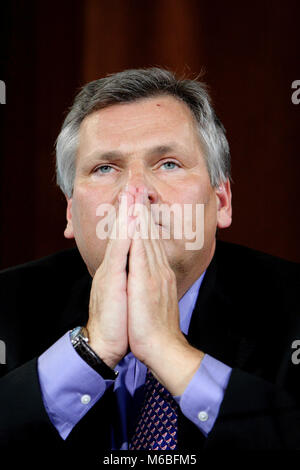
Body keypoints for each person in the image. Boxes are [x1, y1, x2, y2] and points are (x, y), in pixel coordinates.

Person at [0, 68, 299, 459]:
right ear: (71, 213)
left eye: (169, 163)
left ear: (221, 201)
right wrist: (89, 353)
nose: (135, 195)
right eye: (105, 168)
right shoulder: (6, 306)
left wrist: (168, 352)